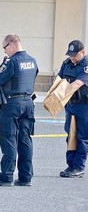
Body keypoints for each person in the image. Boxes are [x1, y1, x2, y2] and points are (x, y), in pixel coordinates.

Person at [0, 34, 39, 186]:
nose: (5, 52)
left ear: (11, 44)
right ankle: (25, 177)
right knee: (25, 140)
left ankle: (7, 176)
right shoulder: (32, 61)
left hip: (12, 104)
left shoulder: (13, 62)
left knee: (9, 138)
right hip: (28, 103)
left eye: (4, 48)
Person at [56, 40, 88, 178]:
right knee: (70, 135)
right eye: (70, 55)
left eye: (75, 55)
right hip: (70, 105)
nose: (72, 58)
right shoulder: (66, 63)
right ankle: (71, 165)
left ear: (83, 52)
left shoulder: (86, 66)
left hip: (84, 106)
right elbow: (58, 80)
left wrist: (60, 96)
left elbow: (77, 84)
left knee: (82, 137)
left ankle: (79, 167)